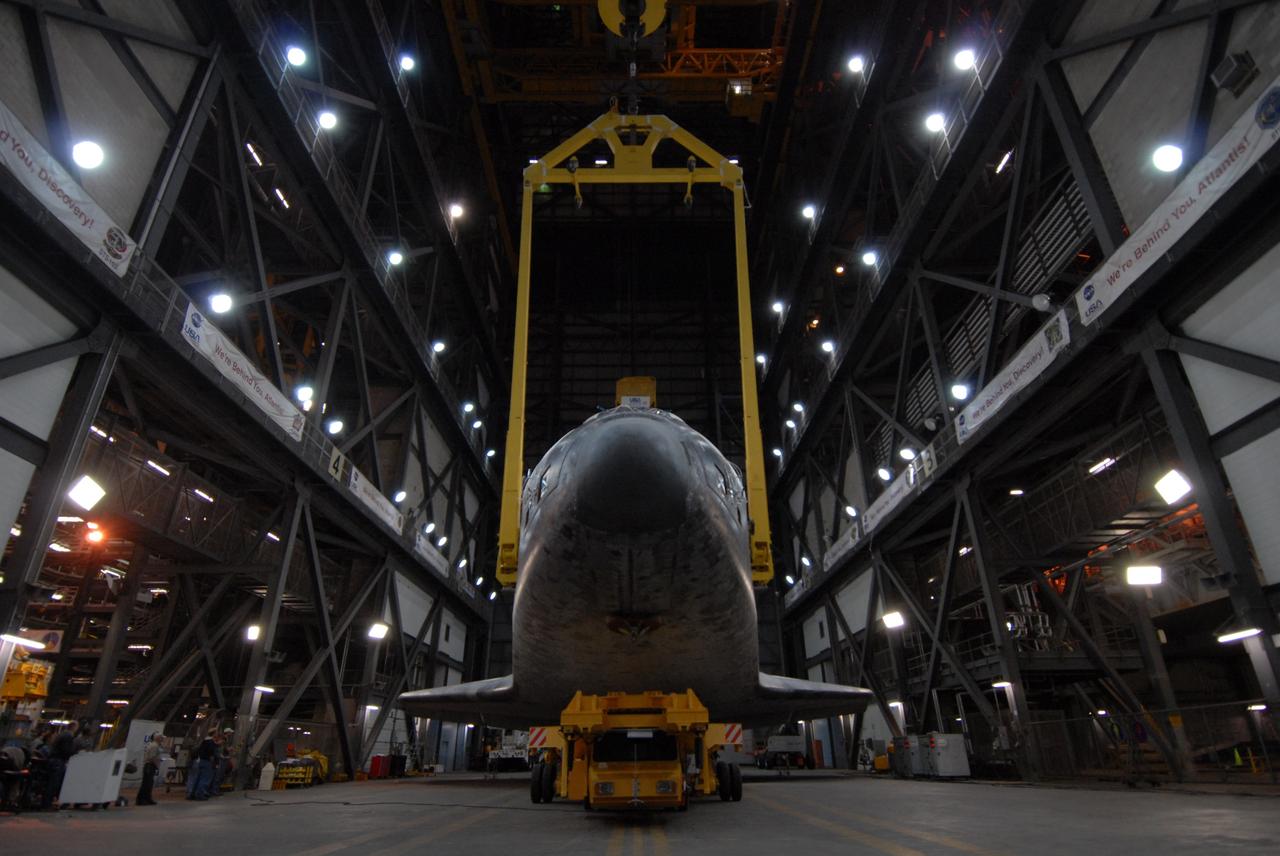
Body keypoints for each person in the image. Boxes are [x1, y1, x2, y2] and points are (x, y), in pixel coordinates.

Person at [43, 725, 78, 810]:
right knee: (54, 783)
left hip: (54, 760)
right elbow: (66, 750)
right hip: (58, 761)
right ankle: (47, 804)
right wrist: (74, 752)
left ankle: (47, 803)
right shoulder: (68, 736)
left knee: (52, 782)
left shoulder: (62, 734)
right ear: (74, 728)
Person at [135, 732, 162, 806]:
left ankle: (147, 798)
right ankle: (142, 800)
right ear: (157, 738)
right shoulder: (154, 746)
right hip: (149, 766)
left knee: (148, 783)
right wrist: (157, 765)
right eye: (161, 737)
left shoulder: (154, 745)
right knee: (146, 783)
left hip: (149, 766)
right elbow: (152, 757)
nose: (162, 739)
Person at [186, 734, 216, 801]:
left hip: (200, 761)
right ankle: (199, 795)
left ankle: (192, 794)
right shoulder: (210, 742)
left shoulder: (202, 741)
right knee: (204, 779)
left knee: (197, 779)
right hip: (206, 762)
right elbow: (212, 753)